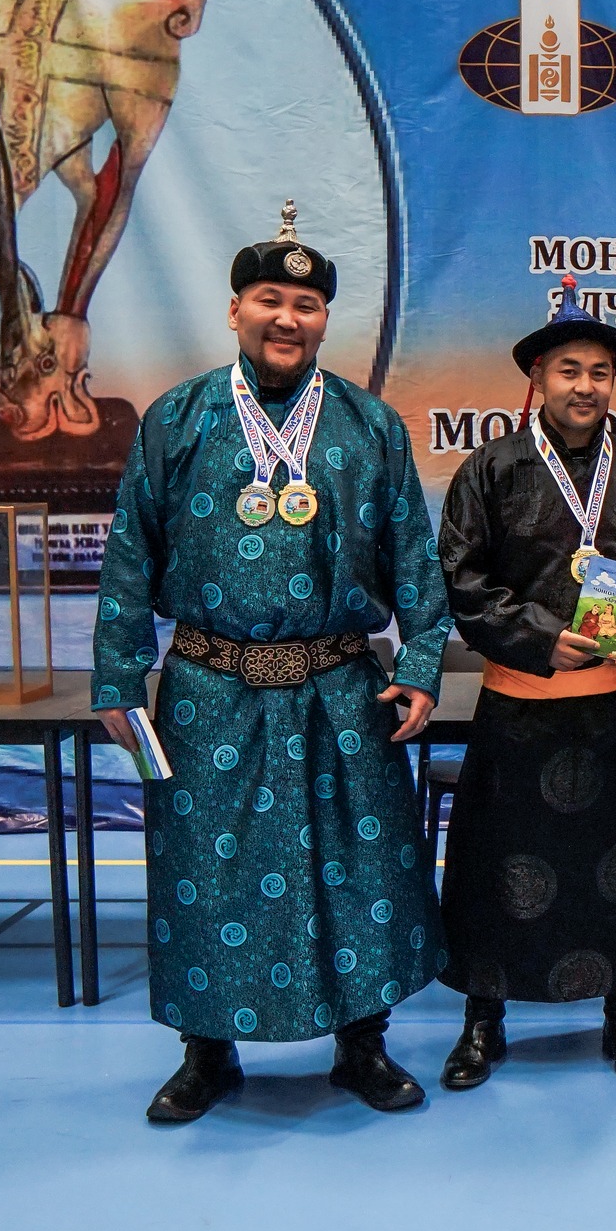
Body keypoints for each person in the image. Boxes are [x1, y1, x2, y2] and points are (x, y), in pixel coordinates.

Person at [91, 203, 452, 1122]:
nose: (286, 318)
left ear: (325, 318)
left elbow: (416, 557)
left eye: (306, 304)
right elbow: (130, 551)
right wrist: (119, 677)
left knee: (357, 870)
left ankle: (362, 1046)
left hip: (340, 685)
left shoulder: (369, 426)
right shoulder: (179, 418)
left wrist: (419, 662)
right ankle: (206, 1053)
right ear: (235, 311)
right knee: (205, 874)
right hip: (209, 689)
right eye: (268, 300)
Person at [432, 277, 616, 1090]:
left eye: (599, 372)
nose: (585, 385)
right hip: (520, 707)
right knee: (500, 873)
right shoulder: (491, 470)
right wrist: (548, 638)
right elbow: (463, 581)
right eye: (569, 370)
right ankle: (483, 1020)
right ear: (538, 376)